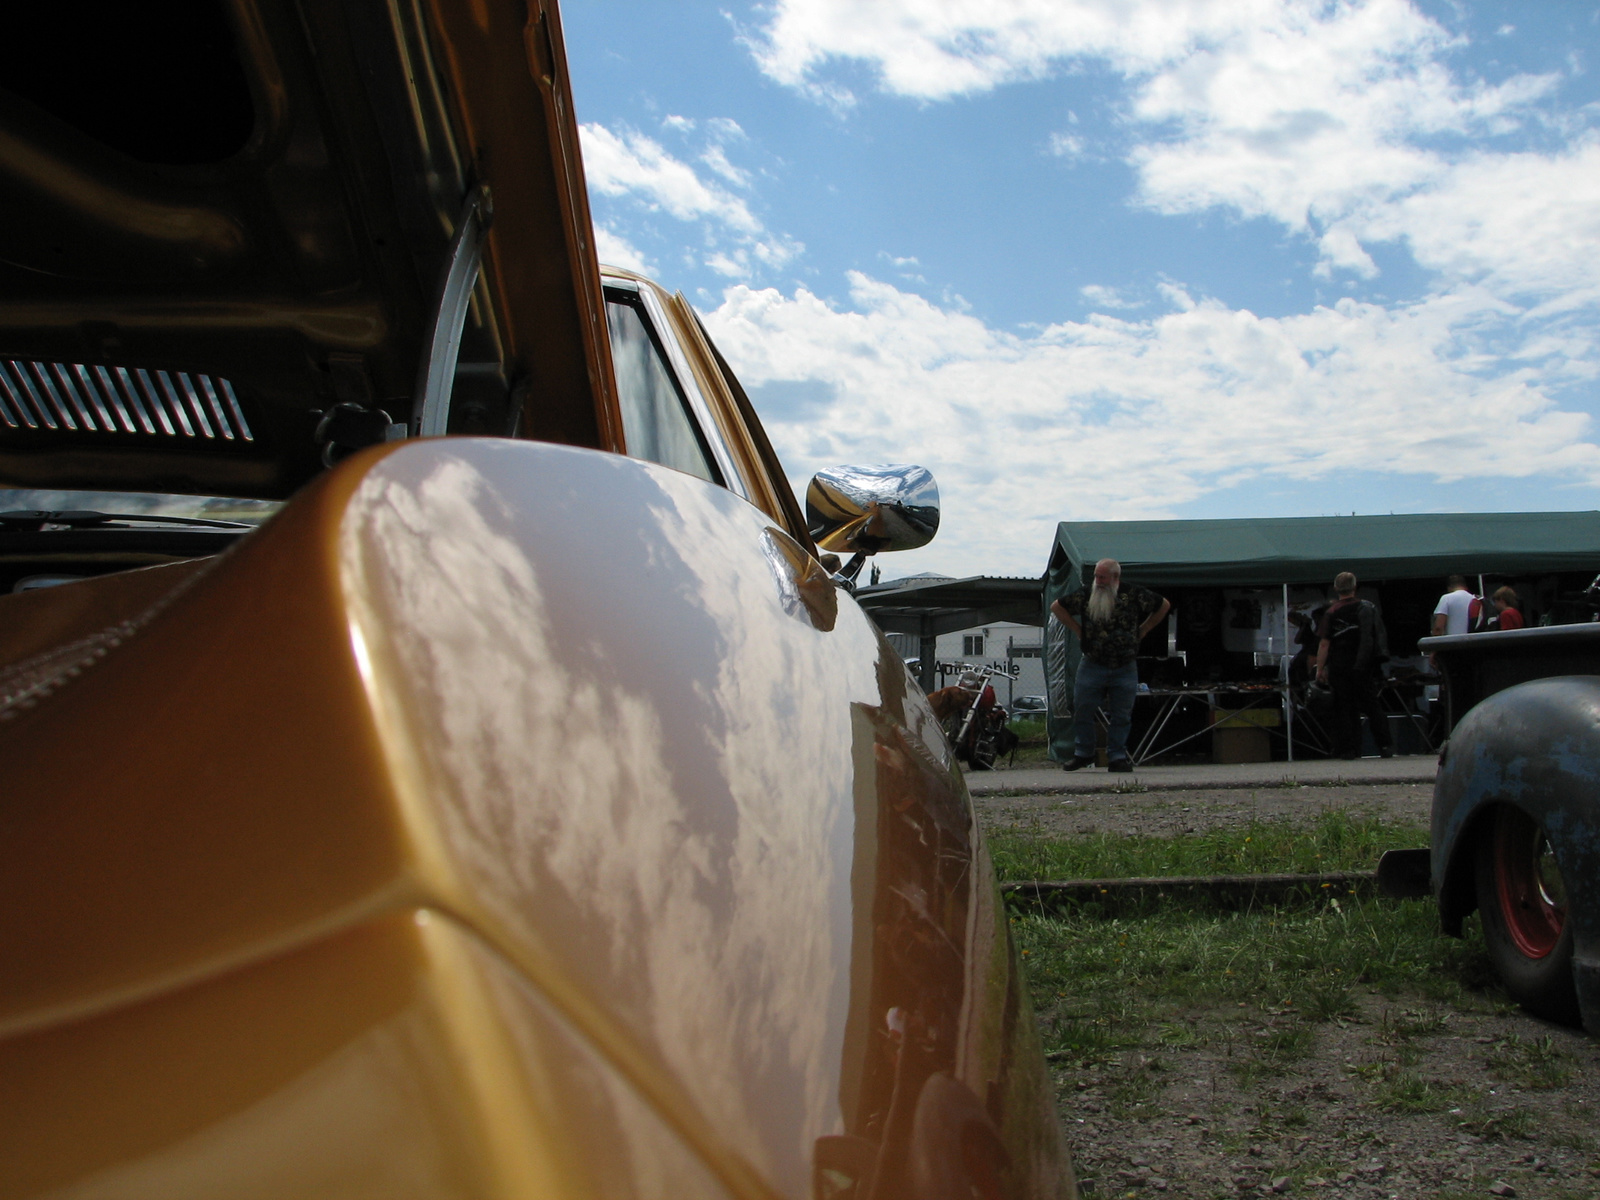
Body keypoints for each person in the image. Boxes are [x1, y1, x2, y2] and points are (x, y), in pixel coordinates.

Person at [1050, 558, 1170, 772]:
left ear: (1115, 577)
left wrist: (1145, 629)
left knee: (1121, 714)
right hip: (1092, 662)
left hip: (1125, 664)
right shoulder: (1087, 594)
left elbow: (1163, 605)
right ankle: (1083, 753)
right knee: (1082, 709)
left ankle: (1116, 756)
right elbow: (1057, 607)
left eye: (1102, 577)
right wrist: (1077, 630)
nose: (1098, 581)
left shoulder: (1133, 594)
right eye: (1096, 576)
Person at [1315, 572, 1392, 760]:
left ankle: (1349, 748)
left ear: (1335, 589)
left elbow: (1324, 643)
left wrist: (1319, 668)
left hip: (1340, 664)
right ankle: (1385, 745)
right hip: (1364, 663)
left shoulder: (1331, 613)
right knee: (1372, 705)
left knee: (1344, 707)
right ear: (1355, 587)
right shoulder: (1367, 608)